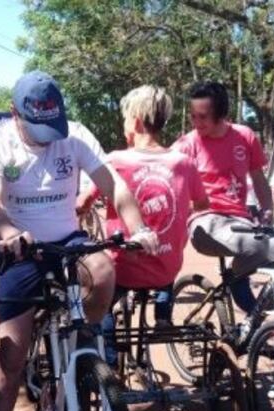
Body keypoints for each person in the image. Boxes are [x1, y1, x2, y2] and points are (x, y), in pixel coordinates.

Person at [0, 70, 159, 411]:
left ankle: (83, 349)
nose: (46, 137)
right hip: (18, 245)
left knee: (104, 270)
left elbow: (116, 188)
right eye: (36, 128)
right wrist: (6, 234)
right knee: (12, 354)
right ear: (13, 114)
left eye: (51, 127)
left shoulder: (73, 135)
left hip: (66, 238)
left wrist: (139, 228)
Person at [78, 85, 208, 344]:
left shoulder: (115, 160)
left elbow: (82, 203)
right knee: (167, 265)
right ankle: (162, 316)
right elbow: (202, 204)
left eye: (125, 119)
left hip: (124, 270)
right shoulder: (184, 163)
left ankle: (109, 358)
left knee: (100, 296)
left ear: (135, 122)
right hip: (166, 268)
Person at [172, 80, 274, 317]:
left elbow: (258, 178)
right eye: (193, 116)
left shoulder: (244, 136)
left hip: (239, 221)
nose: (196, 123)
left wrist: (268, 209)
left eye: (203, 117)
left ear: (221, 114)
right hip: (205, 220)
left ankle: (251, 311)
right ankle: (237, 280)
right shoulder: (187, 144)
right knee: (257, 245)